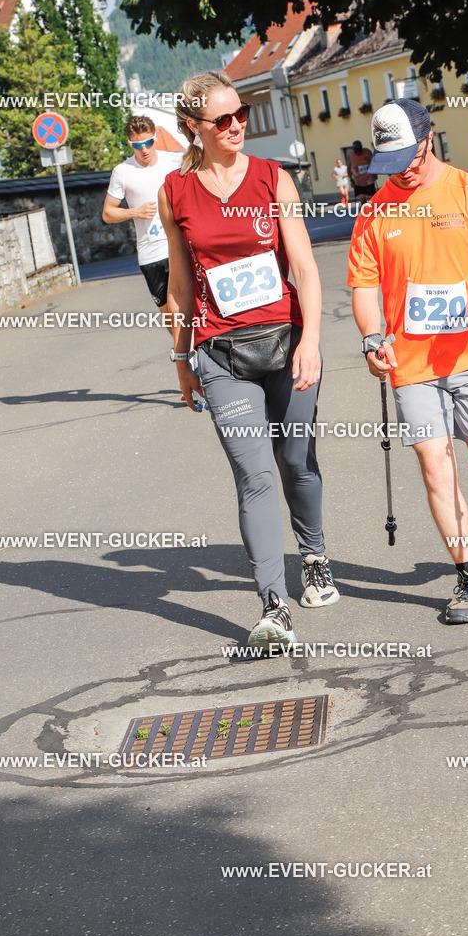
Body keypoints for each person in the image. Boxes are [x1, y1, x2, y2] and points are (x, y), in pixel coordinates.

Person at [159, 70, 339, 652]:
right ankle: (272, 604)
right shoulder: (174, 192)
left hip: (287, 343)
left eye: (242, 115)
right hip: (220, 352)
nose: (238, 126)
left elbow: (305, 268)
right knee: (256, 477)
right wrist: (182, 359)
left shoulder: (272, 178)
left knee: (297, 462)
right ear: (194, 128)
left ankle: (313, 555)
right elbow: (181, 287)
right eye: (224, 120)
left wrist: (311, 339)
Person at [348, 98, 468, 625]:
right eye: (390, 162)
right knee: (434, 465)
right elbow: (363, 285)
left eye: (409, 157)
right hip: (413, 365)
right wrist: (372, 338)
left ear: (429, 140)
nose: (402, 171)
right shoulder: (375, 213)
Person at [102, 115, 183, 336]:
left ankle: (203, 356)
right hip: (152, 254)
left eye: (148, 142)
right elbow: (108, 213)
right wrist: (135, 212)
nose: (144, 149)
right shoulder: (123, 172)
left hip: (181, 246)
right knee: (170, 318)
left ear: (155, 138)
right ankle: (187, 358)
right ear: (130, 143)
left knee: (193, 308)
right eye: (137, 145)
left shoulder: (175, 161)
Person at [346, 139, 377, 203]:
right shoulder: (351, 155)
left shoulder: (367, 152)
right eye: (355, 151)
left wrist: (375, 174)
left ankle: (373, 210)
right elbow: (349, 168)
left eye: (358, 150)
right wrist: (351, 180)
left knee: (370, 198)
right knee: (362, 198)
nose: (357, 152)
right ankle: (364, 211)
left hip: (369, 179)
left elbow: (374, 162)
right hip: (358, 181)